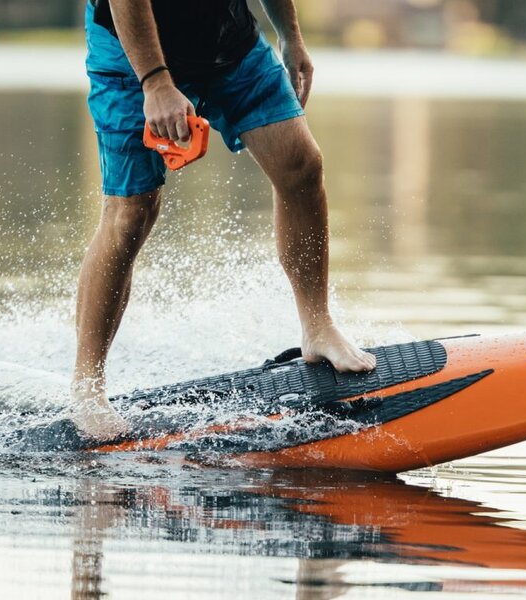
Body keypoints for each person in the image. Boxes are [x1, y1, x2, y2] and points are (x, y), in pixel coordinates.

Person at [71, 0, 376, 441]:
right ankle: (87, 387)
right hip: (129, 51)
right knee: (131, 213)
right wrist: (156, 82)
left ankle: (318, 328)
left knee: (300, 164)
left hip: (226, 41)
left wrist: (290, 35)